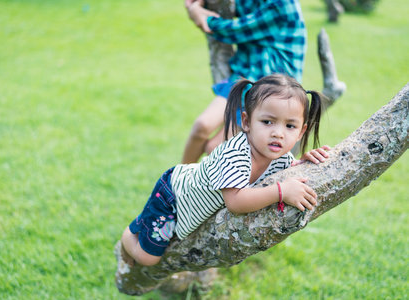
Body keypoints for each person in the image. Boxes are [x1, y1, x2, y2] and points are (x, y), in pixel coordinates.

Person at [121, 74, 330, 266]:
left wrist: (305, 161)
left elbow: (286, 170)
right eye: (267, 122)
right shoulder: (235, 154)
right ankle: (128, 237)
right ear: (247, 122)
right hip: (172, 196)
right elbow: (236, 202)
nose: (278, 134)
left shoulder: (280, 156)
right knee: (148, 258)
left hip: (190, 201)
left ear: (302, 131)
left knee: (168, 244)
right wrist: (281, 192)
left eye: (290, 126)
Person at [182, 0, 307, 163]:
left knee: (215, 148)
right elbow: (227, 5)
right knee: (202, 126)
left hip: (269, 92)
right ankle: (174, 184)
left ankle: (202, 186)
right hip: (243, 78)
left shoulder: (282, 5)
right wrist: (197, 5)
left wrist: (199, 15)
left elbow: (235, 31)